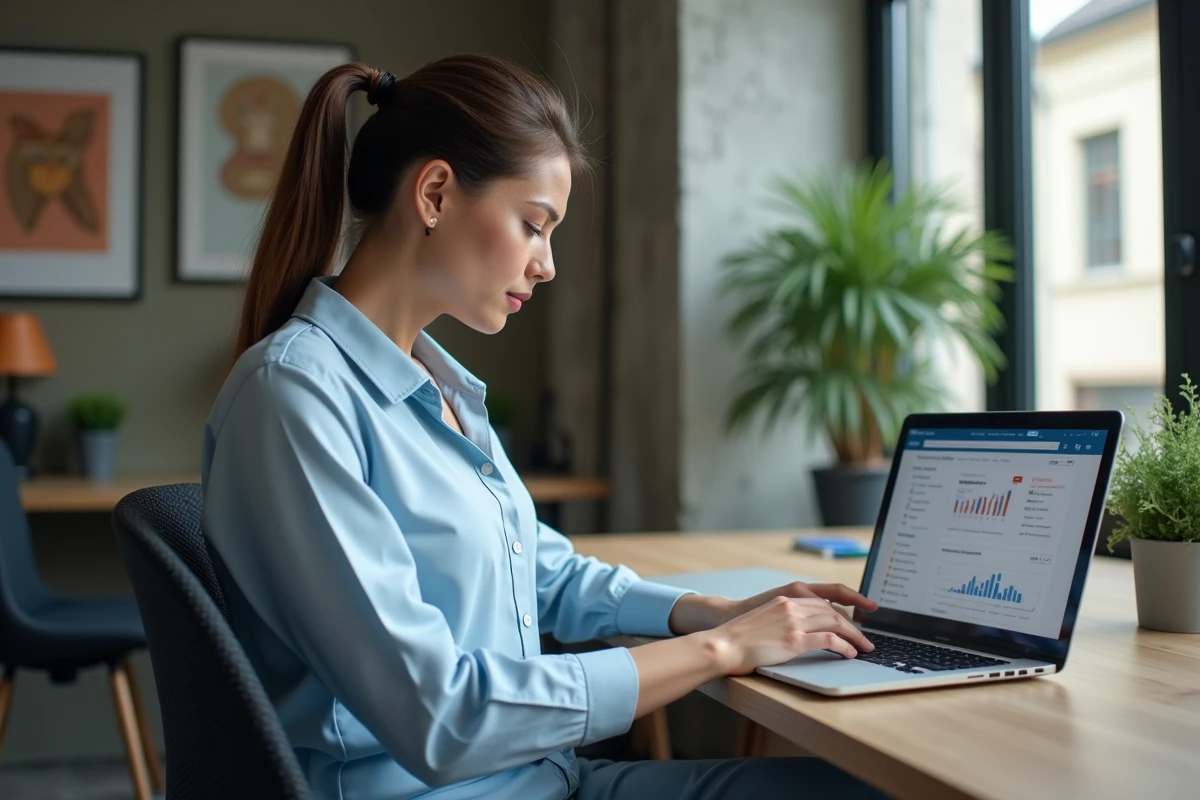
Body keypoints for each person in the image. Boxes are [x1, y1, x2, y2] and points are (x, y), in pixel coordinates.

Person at [201, 54, 889, 800]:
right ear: (434, 193)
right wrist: (721, 648)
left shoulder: (441, 384)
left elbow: (539, 571)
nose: (548, 264)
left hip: (541, 778)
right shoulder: (295, 395)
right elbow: (444, 717)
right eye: (534, 226)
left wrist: (714, 610)